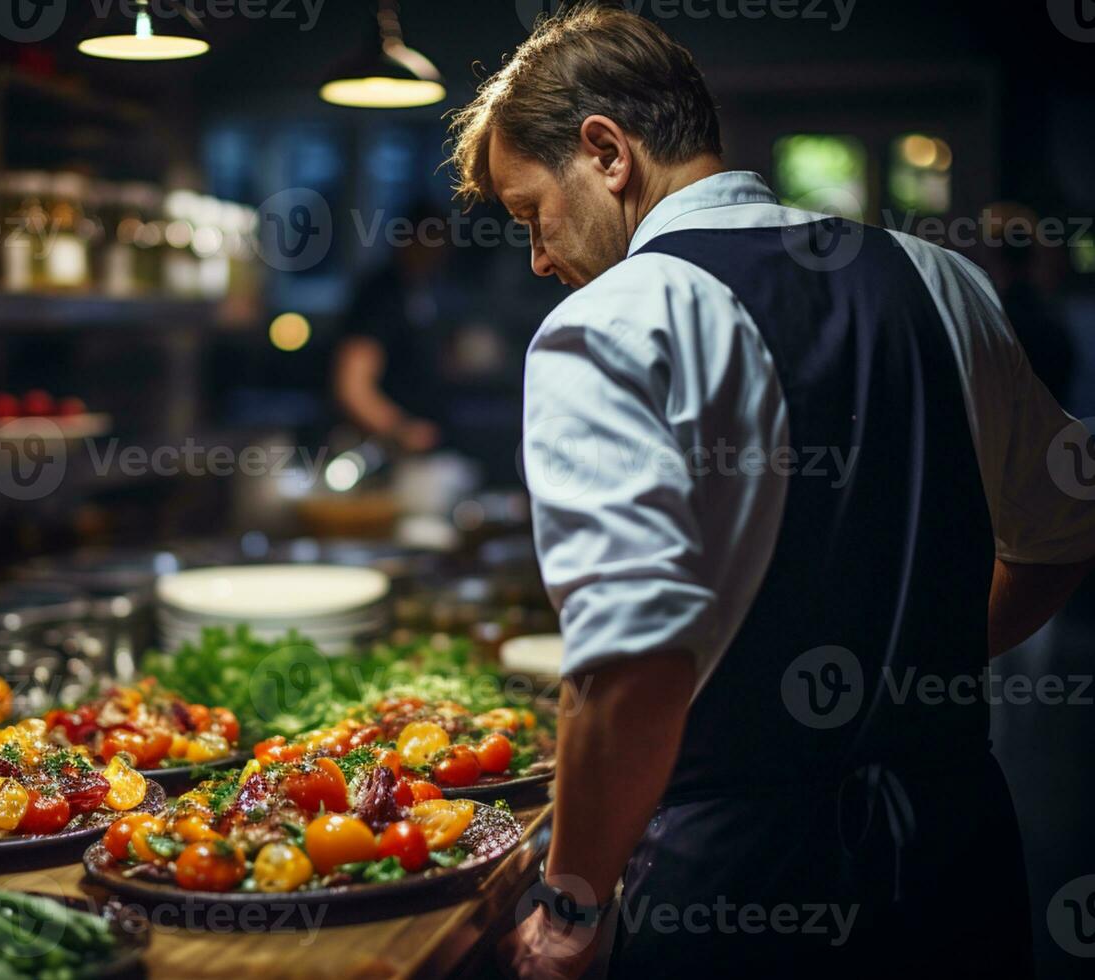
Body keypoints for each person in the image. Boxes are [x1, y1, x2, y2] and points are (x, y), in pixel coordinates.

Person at [446, 4, 1095, 978]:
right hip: (960, 863)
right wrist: (914, 665)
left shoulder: (612, 322)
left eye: (532, 213)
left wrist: (573, 899)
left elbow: (631, 665)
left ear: (606, 153)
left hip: (735, 890)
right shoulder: (944, 280)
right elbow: (1058, 536)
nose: (538, 258)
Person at [332, 202, 453, 455]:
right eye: (429, 237)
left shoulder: (433, 292)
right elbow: (352, 387)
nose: (439, 249)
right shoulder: (379, 296)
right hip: (374, 450)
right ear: (406, 238)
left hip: (430, 445)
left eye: (443, 239)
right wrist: (401, 429)